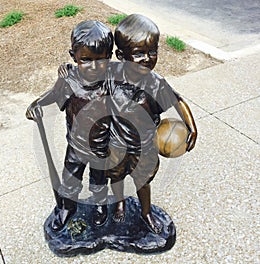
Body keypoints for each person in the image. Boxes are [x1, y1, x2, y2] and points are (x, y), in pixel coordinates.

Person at [105, 14, 197, 233]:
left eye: (153, 51)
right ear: (121, 55)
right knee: (116, 177)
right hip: (116, 143)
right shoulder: (110, 77)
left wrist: (191, 126)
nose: (148, 58)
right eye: (139, 54)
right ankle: (119, 201)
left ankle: (146, 212)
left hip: (146, 145)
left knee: (143, 182)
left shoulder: (155, 83)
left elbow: (178, 101)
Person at [26, 20, 114, 230]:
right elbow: (53, 95)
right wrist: (36, 104)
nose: (93, 66)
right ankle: (67, 207)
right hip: (75, 146)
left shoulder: (111, 81)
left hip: (102, 147)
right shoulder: (70, 80)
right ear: (73, 56)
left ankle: (100, 205)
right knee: (70, 179)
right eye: (85, 60)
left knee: (99, 180)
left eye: (100, 60)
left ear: (109, 57)